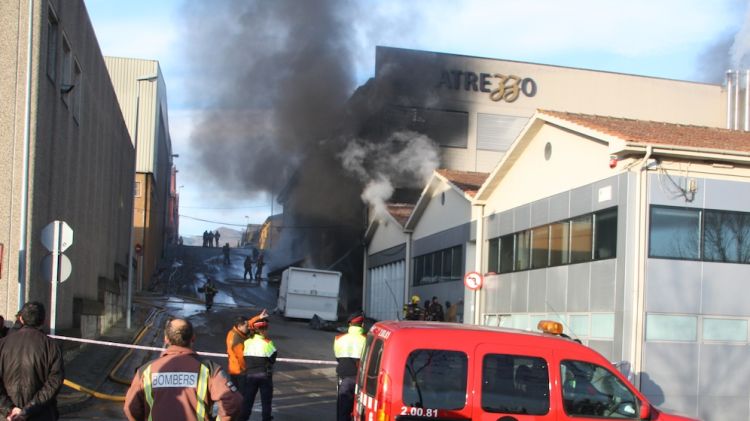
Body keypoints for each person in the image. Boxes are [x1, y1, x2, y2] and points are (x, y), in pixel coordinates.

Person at [124, 318, 243, 421]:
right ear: (193, 338)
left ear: (166, 339)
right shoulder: (209, 369)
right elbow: (233, 402)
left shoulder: (146, 370)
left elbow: (131, 407)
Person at [0, 302, 64, 421]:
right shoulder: (51, 346)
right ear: (44, 320)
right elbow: (54, 383)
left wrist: (9, 409)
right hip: (41, 414)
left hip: (8, 416)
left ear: (21, 319)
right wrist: (28, 409)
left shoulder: (3, 344)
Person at [333, 312, 366, 421]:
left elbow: (337, 357)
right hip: (362, 380)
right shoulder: (367, 339)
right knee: (362, 410)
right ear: (362, 325)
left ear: (349, 325)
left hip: (345, 378)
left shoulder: (339, 338)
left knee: (343, 410)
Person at [243, 318, 277, 421]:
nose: (267, 331)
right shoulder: (268, 343)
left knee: (248, 401)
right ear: (262, 330)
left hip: (250, 375)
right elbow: (273, 358)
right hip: (264, 376)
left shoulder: (247, 342)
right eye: (266, 329)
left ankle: (243, 419)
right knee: (266, 401)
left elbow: (244, 357)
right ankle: (266, 419)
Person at [226, 316, 251, 420]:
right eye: (246, 326)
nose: (248, 328)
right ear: (240, 326)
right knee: (242, 396)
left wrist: (258, 317)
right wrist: (246, 369)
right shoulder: (237, 339)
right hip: (240, 371)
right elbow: (240, 358)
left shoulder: (232, 332)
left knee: (235, 394)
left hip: (233, 369)